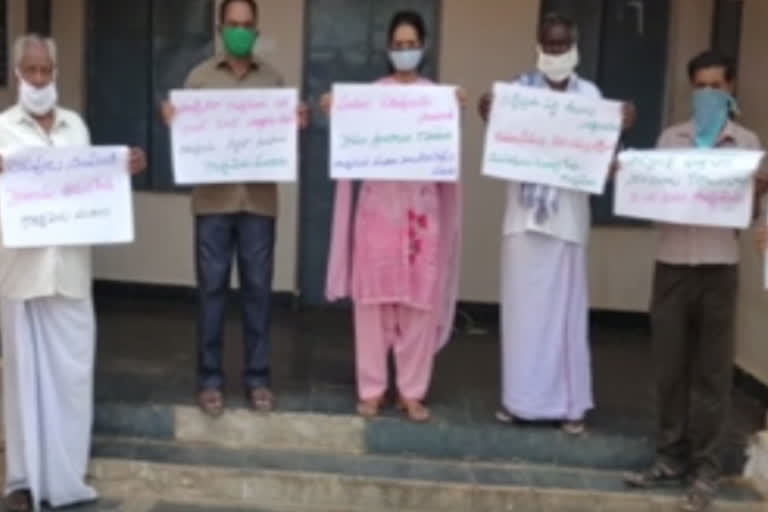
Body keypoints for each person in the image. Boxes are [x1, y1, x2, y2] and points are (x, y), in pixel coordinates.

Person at [0, 34, 146, 512]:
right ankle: (21, 481)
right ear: (17, 74)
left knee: (72, 377)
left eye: (46, 71)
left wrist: (121, 170)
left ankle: (67, 478)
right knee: (21, 381)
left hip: (70, 273)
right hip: (20, 276)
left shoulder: (75, 128)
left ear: (57, 73)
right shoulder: (2, 130)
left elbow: (88, 186)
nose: (39, 80)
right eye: (30, 71)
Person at [478, 13, 635, 435]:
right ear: (537, 46)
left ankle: (570, 406)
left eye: (563, 45)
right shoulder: (517, 94)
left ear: (576, 46)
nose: (556, 53)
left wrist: (621, 129)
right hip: (522, 222)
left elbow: (605, 165)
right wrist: (487, 114)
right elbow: (501, 138)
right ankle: (519, 402)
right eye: (549, 46)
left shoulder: (590, 96)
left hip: (567, 222)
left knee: (564, 319)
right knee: (521, 318)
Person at [624, 51, 763, 512]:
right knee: (669, 368)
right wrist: (632, 180)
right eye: (699, 86)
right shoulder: (671, 140)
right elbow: (653, 196)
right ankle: (669, 456)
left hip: (720, 267)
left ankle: (706, 468)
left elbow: (754, 215)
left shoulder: (746, 146)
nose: (707, 94)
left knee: (712, 373)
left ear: (731, 89)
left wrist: (760, 199)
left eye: (715, 86)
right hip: (672, 265)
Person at [161, 0, 308, 416]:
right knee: (211, 292)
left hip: (259, 202)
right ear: (221, 28)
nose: (240, 30)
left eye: (247, 24)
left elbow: (282, 140)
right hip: (212, 202)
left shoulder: (274, 80)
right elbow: (184, 134)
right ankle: (210, 380)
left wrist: (296, 122)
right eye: (233, 24)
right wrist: (172, 118)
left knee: (259, 292)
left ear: (256, 29)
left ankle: (258, 379)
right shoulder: (200, 78)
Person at [322, 10, 464, 422]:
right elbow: (353, 140)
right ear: (389, 49)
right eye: (398, 46)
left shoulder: (437, 98)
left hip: (422, 216)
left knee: (420, 305)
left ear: (424, 47)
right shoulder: (373, 96)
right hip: (378, 217)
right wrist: (339, 110)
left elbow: (447, 157)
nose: (405, 52)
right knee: (372, 305)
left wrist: (454, 112)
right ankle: (372, 389)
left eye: (412, 45)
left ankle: (412, 391)